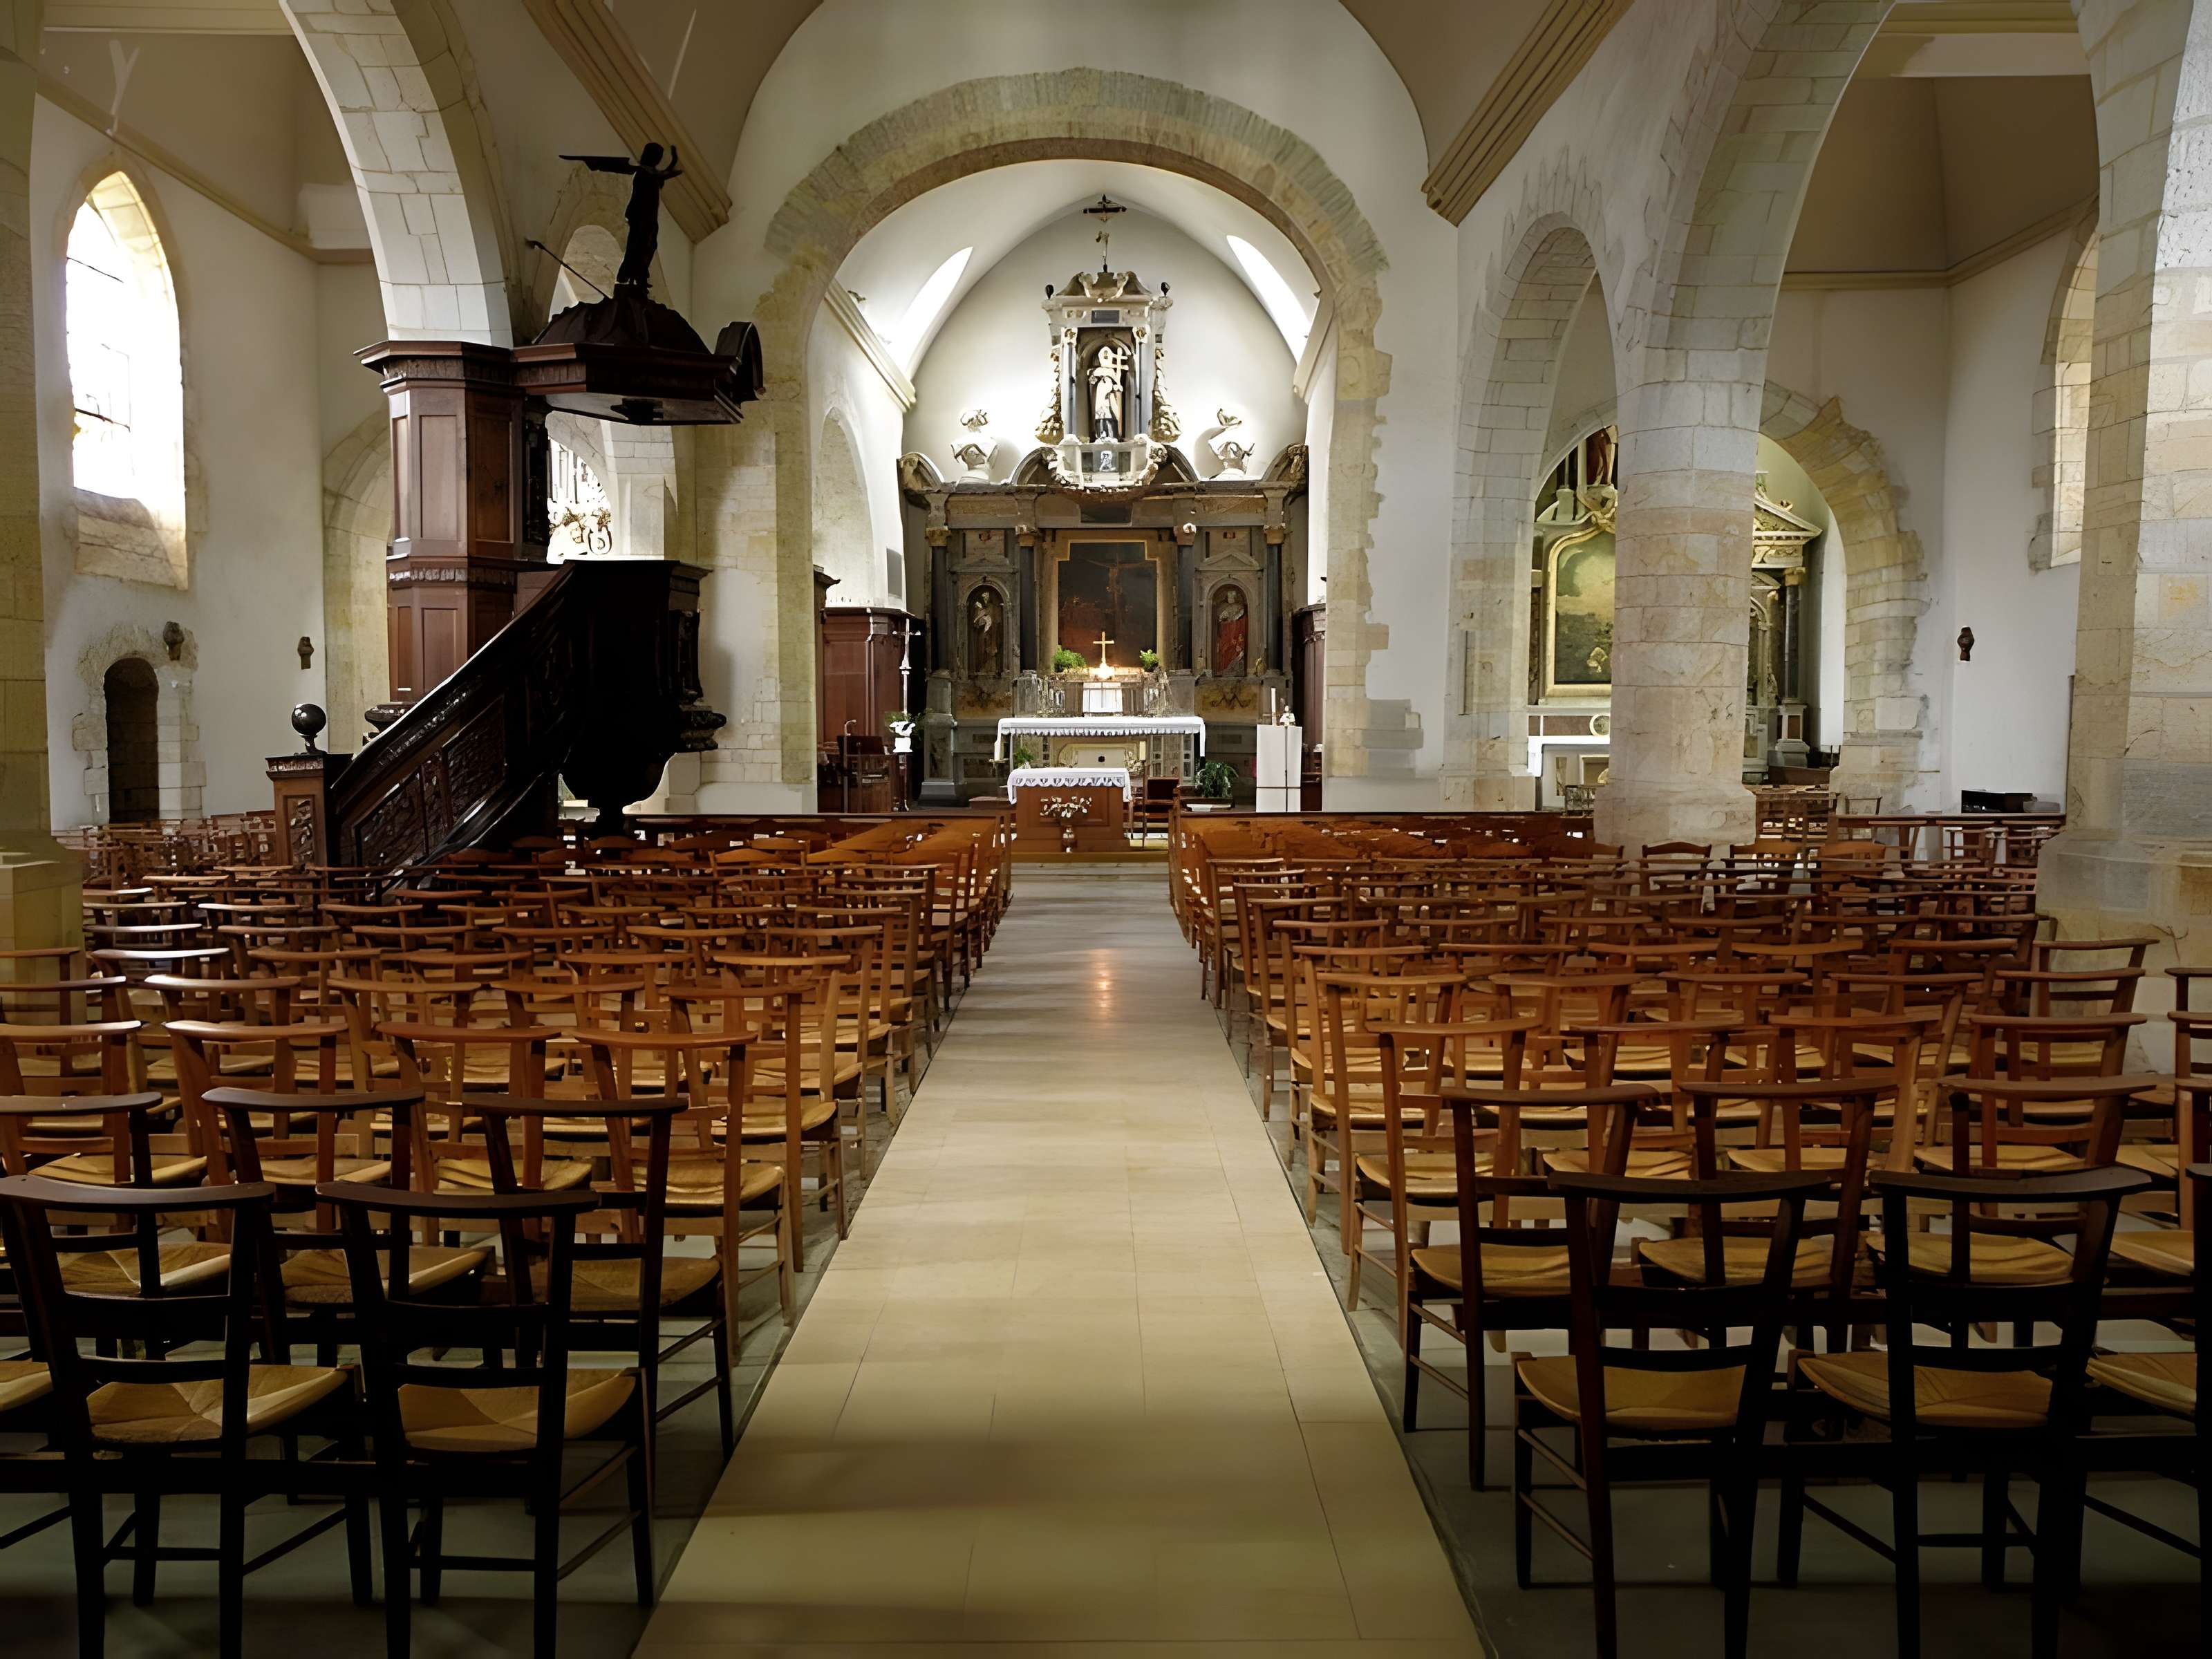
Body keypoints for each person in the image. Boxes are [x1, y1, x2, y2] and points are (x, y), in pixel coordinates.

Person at [560, 143, 683, 293]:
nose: (658, 160)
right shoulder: (643, 172)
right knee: (638, 245)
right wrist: (673, 160)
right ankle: (635, 276)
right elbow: (661, 176)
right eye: (657, 156)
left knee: (650, 245)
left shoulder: (653, 174)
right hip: (640, 217)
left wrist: (674, 160)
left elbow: (664, 174)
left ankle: (640, 275)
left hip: (649, 218)